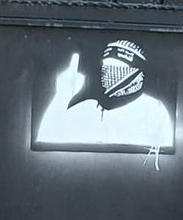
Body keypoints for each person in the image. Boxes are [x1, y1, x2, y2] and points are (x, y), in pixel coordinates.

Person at [35, 39, 173, 157]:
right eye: (106, 67)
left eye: (119, 67)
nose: (110, 73)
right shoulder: (85, 108)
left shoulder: (155, 110)